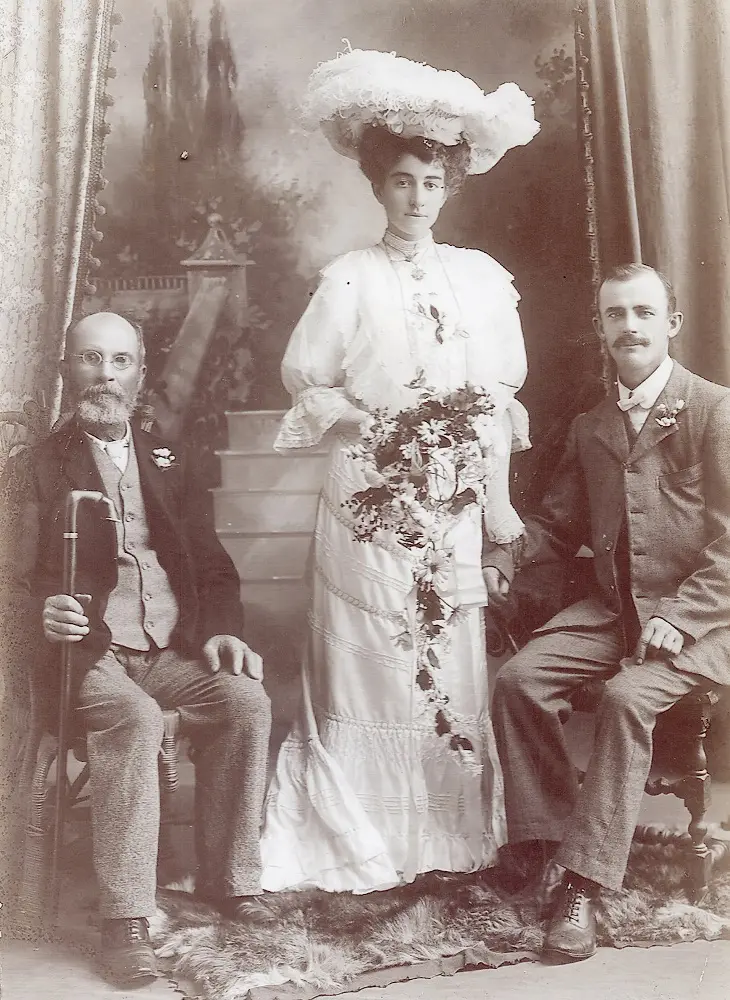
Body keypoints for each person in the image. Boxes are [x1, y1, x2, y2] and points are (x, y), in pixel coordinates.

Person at [259, 47, 539, 893]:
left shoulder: (482, 282)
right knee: (374, 667)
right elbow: (306, 381)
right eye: (402, 182)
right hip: (368, 504)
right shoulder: (348, 280)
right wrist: (383, 426)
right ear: (378, 187)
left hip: (449, 506)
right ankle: (363, 841)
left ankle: (446, 845)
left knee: (446, 664)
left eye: (431, 182)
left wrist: (493, 507)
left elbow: (494, 397)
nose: (417, 198)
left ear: (449, 186)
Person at [0, 312, 272, 988]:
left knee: (244, 700)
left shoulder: (169, 459)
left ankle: (229, 880)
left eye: (120, 362)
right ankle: (125, 920)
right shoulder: (32, 469)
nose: (105, 376)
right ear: (67, 368)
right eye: (91, 360)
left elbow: (209, 563)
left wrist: (221, 628)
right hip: (82, 655)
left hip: (167, 647)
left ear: (141, 374)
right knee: (135, 718)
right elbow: (8, 576)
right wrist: (43, 612)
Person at [485, 263, 730, 962]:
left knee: (626, 698)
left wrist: (682, 616)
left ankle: (583, 887)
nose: (630, 327)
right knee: (518, 681)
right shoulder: (594, 425)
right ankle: (549, 844)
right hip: (617, 610)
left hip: (707, 620)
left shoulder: (715, 410)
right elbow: (558, 526)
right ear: (600, 328)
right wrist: (502, 559)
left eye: (643, 313)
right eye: (616, 315)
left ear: (670, 324)